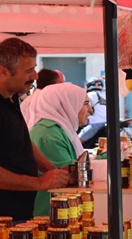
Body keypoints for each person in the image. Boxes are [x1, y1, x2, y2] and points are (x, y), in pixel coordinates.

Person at [0, 38, 70, 225]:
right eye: (28, 71)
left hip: (14, 215)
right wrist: (39, 182)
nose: (35, 76)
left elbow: (23, 142)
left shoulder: (9, 99)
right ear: (3, 71)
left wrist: (53, 172)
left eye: (34, 68)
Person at [30, 83, 92, 216]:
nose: (91, 110)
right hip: (50, 214)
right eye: (85, 103)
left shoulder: (59, 129)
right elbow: (69, 175)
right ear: (67, 104)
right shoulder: (48, 133)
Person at [78, 77, 106, 145]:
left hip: (96, 123)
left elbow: (82, 108)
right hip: (107, 122)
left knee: (77, 141)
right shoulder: (106, 94)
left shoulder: (90, 95)